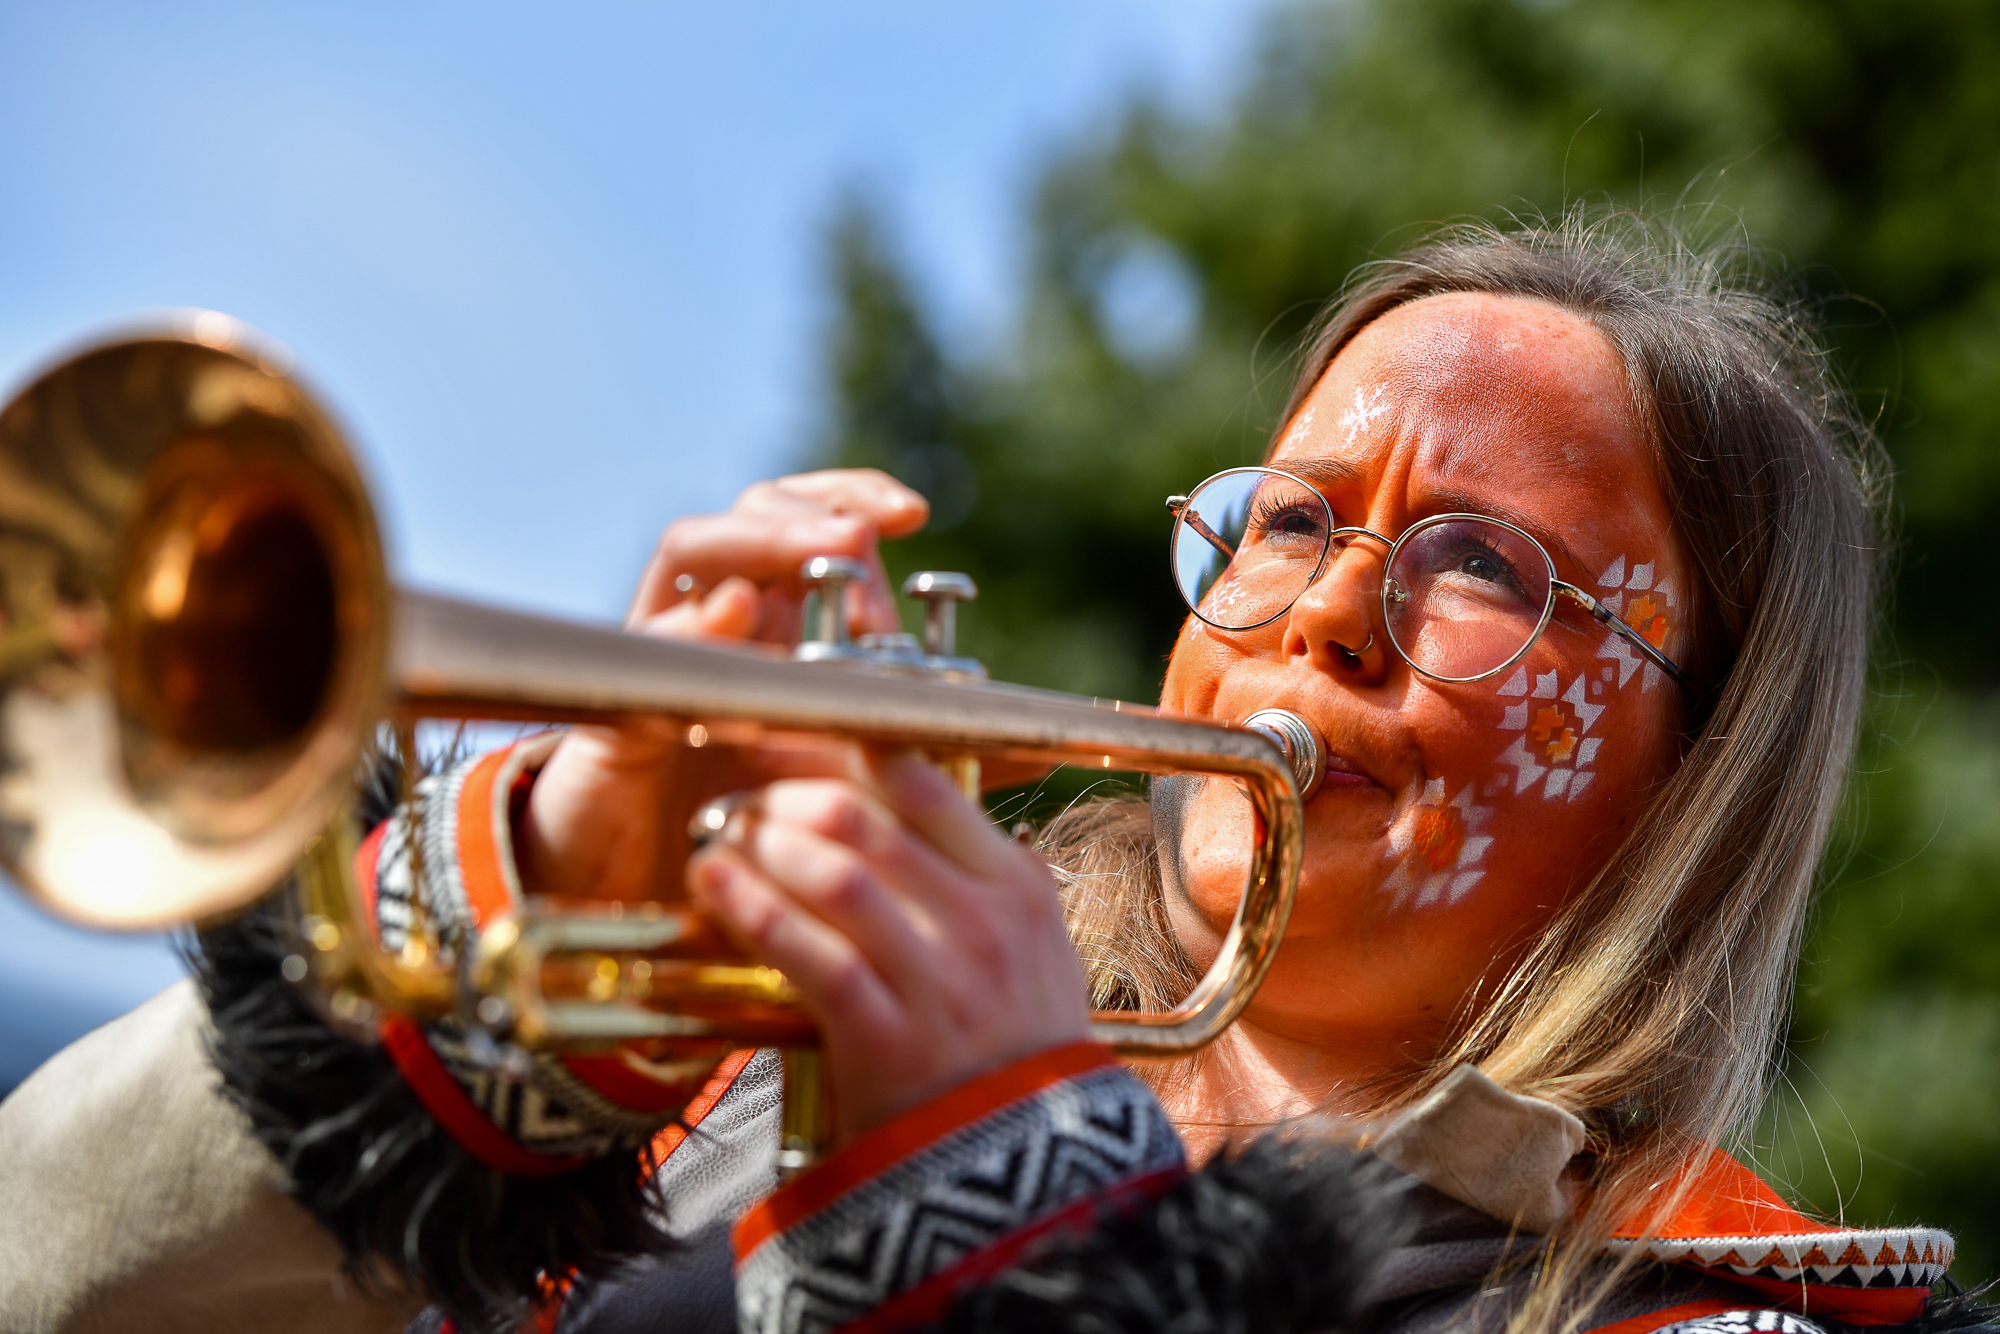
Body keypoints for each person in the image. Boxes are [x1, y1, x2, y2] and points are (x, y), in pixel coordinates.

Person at [0, 211, 1983, 1334]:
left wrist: (996, 1202)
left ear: (1693, 763)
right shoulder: (742, 1054)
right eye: (1289, 519)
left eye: (1482, 567)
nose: (1329, 615)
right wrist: (512, 934)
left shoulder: (1719, 1319)